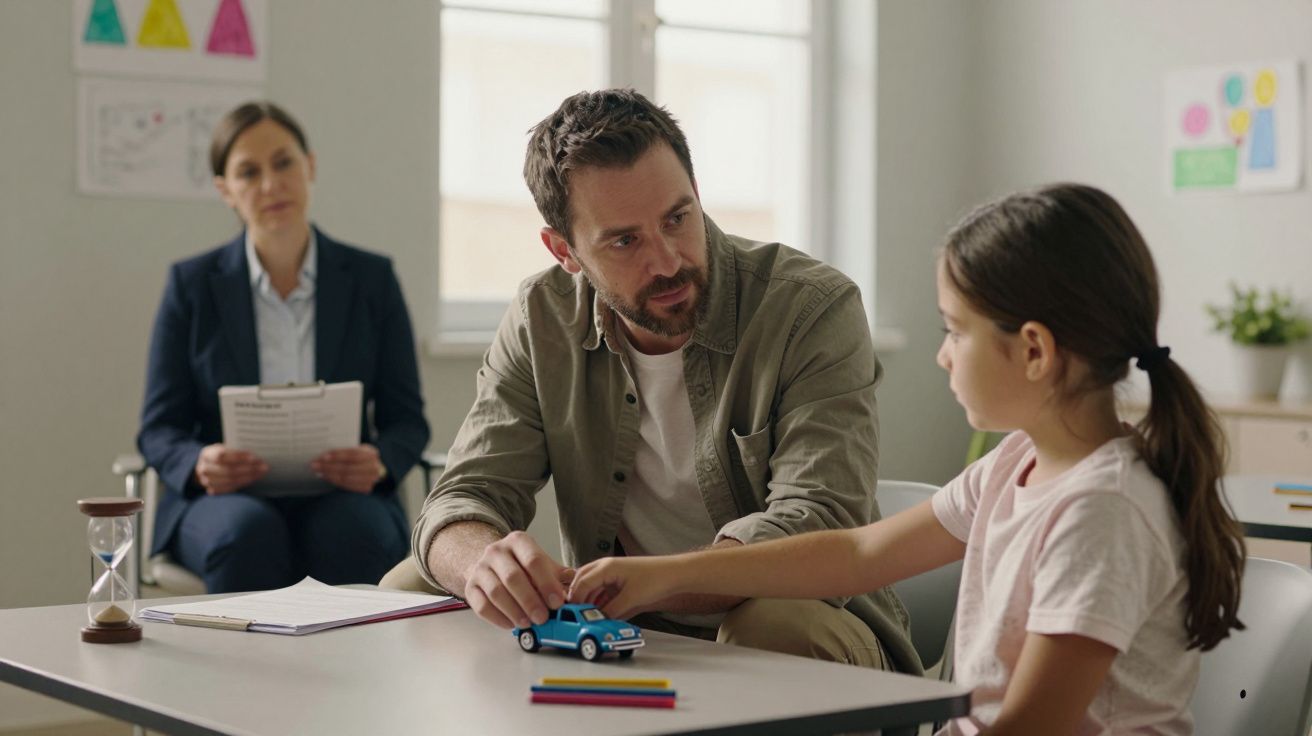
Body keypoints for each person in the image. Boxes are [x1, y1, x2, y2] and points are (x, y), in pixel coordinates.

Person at [570, 183, 1247, 734]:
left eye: (955, 331)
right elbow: (859, 554)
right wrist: (657, 577)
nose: (943, 354)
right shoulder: (1014, 465)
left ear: (1034, 351)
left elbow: (1029, 729)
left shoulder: (1100, 512)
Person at [404, 89, 918, 674]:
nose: (669, 260)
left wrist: (652, 583)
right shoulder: (540, 317)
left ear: (698, 195)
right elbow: (464, 494)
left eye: (678, 218)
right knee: (411, 585)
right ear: (564, 250)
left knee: (772, 624)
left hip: (803, 622)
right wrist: (481, 566)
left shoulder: (811, 308)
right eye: (625, 241)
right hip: (623, 626)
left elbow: (820, 521)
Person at [137, 102, 430, 594]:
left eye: (284, 163)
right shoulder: (191, 286)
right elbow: (158, 427)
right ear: (225, 190)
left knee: (355, 533)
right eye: (249, 172)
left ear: (310, 165)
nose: (271, 184)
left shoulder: (372, 280)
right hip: (223, 503)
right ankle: (241, 675)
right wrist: (198, 462)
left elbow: (407, 420)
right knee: (247, 533)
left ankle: (355, 674)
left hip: (345, 495)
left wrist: (379, 460)